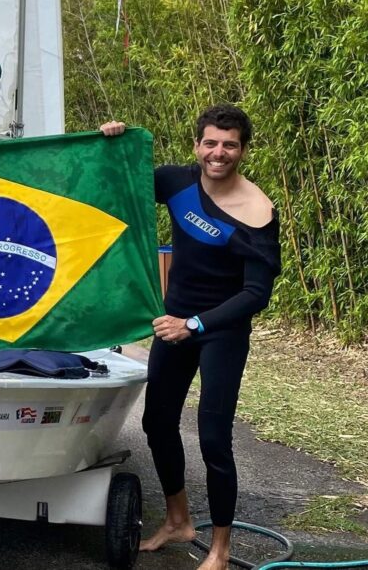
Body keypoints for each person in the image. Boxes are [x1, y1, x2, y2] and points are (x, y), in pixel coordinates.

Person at [101, 104, 280, 570]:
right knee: (157, 424)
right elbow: (118, 180)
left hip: (219, 331)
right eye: (211, 143)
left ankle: (220, 550)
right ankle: (178, 520)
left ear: (243, 149)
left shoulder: (258, 211)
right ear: (197, 145)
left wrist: (195, 324)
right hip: (174, 326)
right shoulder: (177, 183)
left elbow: (256, 293)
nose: (218, 153)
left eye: (230, 145)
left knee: (214, 437)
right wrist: (113, 139)